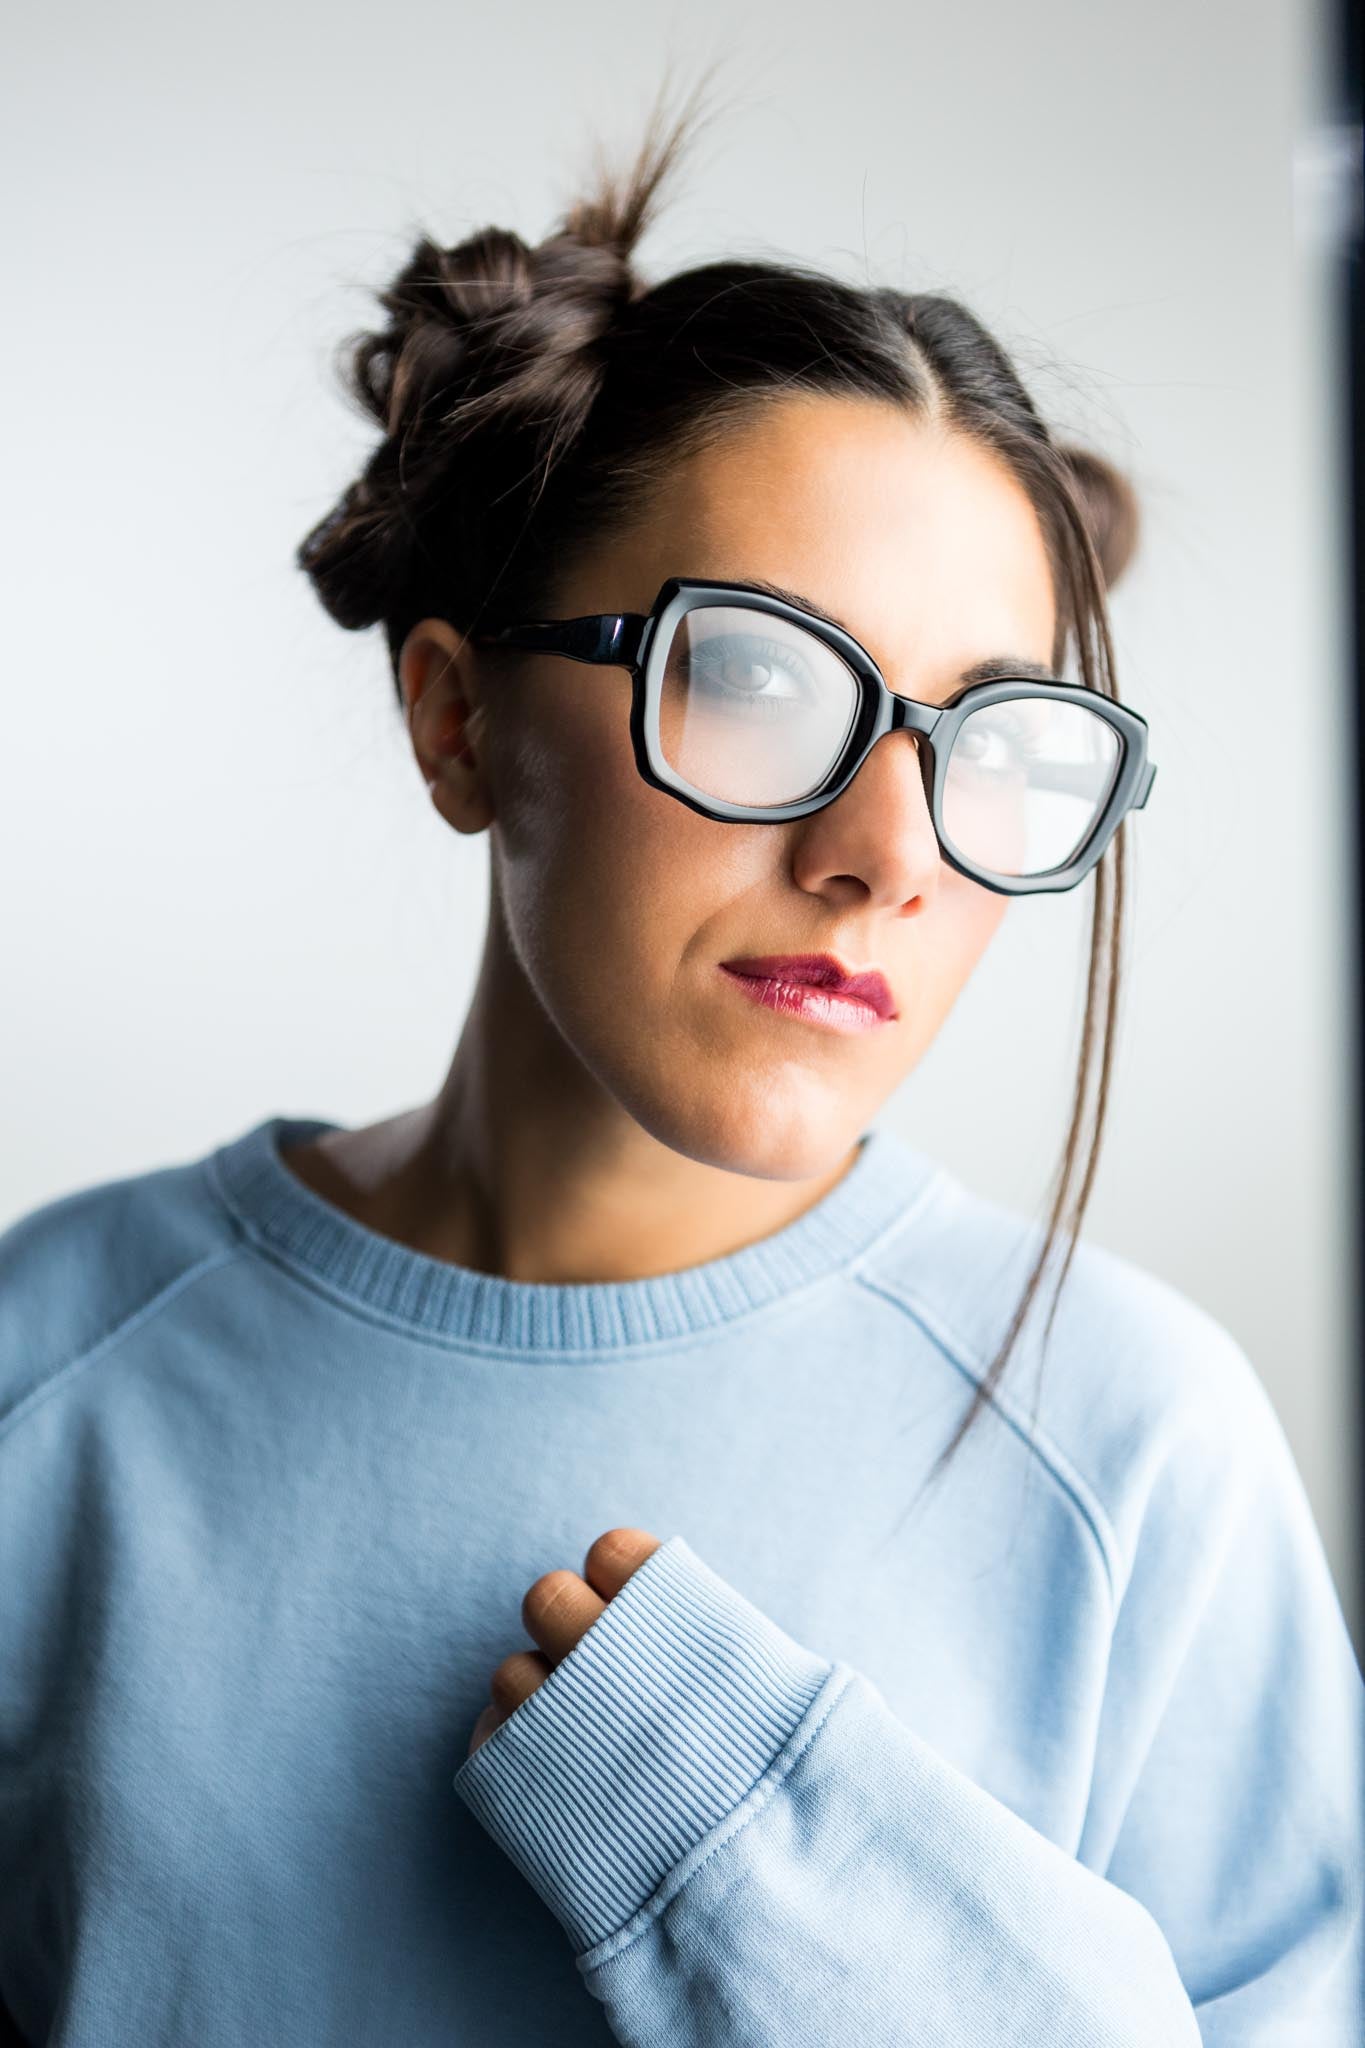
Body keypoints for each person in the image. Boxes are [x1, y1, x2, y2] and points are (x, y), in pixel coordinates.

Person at [1, 68, 1360, 2048]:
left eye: (988, 740)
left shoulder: (1138, 1449)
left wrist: (763, 1862)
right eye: (757, 676)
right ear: (458, 719)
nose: (886, 852)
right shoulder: (49, 1369)